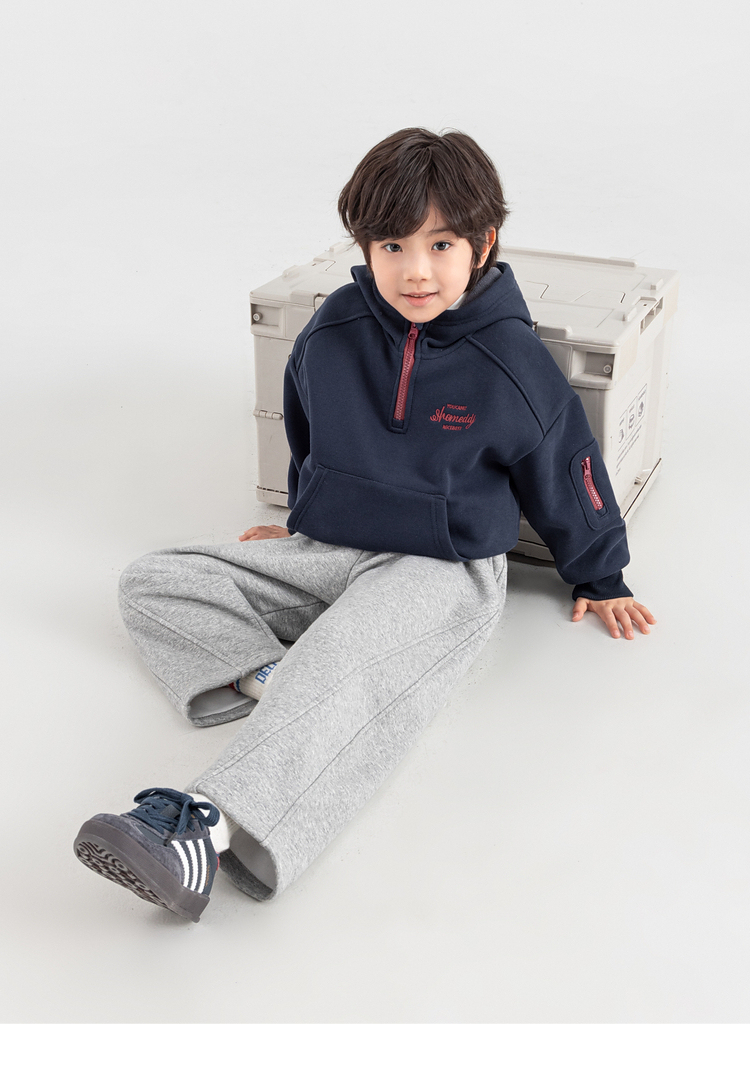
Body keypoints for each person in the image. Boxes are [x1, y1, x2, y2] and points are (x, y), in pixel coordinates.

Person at [74, 128, 656, 922]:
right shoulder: (335, 328)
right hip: (330, 548)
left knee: (347, 656)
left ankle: (203, 829)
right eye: (393, 246)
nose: (416, 270)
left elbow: (567, 468)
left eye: (441, 244)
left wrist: (601, 573)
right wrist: (299, 522)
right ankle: (272, 681)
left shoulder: (511, 360)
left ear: (483, 245)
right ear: (365, 248)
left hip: (441, 568)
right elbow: (306, 430)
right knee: (155, 579)